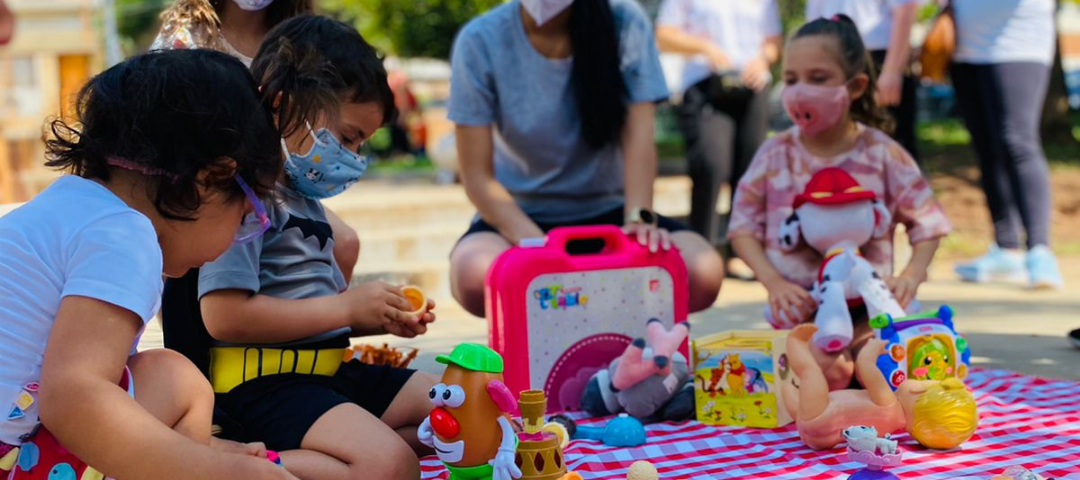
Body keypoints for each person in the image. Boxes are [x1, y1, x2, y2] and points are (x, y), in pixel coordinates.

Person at [0, 49, 295, 480]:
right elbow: (74, 398)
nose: (239, 235)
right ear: (208, 181)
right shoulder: (124, 235)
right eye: (248, 214)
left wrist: (209, 455)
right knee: (176, 377)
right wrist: (215, 472)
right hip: (14, 461)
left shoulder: (63, 207)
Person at [180, 16, 435, 480]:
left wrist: (377, 315)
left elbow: (317, 316)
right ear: (281, 104)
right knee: (395, 466)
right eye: (348, 137)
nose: (353, 157)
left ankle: (340, 456)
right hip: (265, 385)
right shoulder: (244, 202)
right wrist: (346, 309)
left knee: (461, 410)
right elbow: (224, 316)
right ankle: (222, 463)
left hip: (327, 376)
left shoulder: (305, 200)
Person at [448, 0, 724, 318]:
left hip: (614, 214)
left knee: (701, 269)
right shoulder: (480, 40)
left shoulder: (625, 22)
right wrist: (542, 252)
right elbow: (477, 178)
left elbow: (639, 140)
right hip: (519, 220)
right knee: (473, 273)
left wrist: (638, 220)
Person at [728, 16, 950, 390]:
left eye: (817, 78)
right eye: (792, 79)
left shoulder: (881, 153)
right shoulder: (774, 154)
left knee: (881, 367)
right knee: (829, 373)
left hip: (871, 308)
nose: (800, 91)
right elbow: (742, 229)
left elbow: (928, 221)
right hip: (804, 315)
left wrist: (912, 276)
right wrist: (774, 283)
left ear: (856, 86)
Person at [153, 0, 361, 282]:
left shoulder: (303, 37)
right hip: (208, 185)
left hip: (278, 186)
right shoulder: (185, 37)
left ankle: (321, 316)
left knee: (345, 245)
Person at [654, 0, 782, 279]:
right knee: (711, 165)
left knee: (750, 170)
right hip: (705, 85)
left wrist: (761, 59)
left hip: (751, 88)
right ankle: (701, 251)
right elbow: (663, 34)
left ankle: (743, 254)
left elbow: (773, 41)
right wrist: (705, 48)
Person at [950, 0, 1063, 290]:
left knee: (1017, 141)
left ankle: (1040, 250)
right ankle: (1006, 247)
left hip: (1018, 44)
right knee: (987, 148)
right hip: (966, 47)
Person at [806, 0, 921, 163]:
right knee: (845, 153)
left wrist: (892, 71)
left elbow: (906, 11)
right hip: (834, 58)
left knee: (894, 151)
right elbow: (814, 18)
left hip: (879, 60)